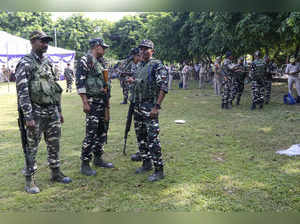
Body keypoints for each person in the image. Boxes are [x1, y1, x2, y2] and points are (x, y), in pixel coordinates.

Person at [15, 30, 72, 194]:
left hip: (51, 110)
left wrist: (59, 111)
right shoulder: (25, 63)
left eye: (47, 41)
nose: (46, 44)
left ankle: (56, 172)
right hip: (36, 112)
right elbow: (23, 92)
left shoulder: (48, 63)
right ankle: (30, 179)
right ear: (33, 42)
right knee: (31, 146)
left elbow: (55, 88)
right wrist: (28, 116)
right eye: (42, 41)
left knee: (54, 143)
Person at [127, 39, 168, 182]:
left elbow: (163, 86)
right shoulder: (139, 66)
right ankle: (146, 163)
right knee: (141, 137)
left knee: (153, 139)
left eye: (146, 49)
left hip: (150, 106)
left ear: (152, 51)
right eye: (141, 49)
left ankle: (159, 170)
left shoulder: (157, 65)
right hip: (138, 106)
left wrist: (157, 106)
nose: (143, 51)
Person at [76, 37, 114, 177]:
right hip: (92, 102)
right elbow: (80, 83)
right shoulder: (85, 61)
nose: (104, 49)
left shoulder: (102, 62)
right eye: (103, 47)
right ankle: (85, 163)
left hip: (103, 102)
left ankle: (98, 158)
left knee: (102, 131)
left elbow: (105, 83)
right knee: (91, 133)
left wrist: (107, 102)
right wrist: (85, 102)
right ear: (96, 46)